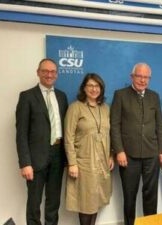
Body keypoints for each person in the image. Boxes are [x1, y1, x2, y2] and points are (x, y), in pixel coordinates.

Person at [110, 63, 162, 225]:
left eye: (146, 77)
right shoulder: (120, 95)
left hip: (152, 154)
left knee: (151, 195)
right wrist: (119, 151)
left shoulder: (154, 96)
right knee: (129, 195)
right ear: (132, 77)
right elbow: (115, 125)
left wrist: (161, 151)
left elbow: (159, 126)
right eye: (139, 76)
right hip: (128, 155)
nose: (143, 80)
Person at [16, 58, 68, 225]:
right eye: (45, 71)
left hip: (58, 156)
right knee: (34, 203)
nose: (49, 74)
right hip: (35, 159)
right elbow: (21, 133)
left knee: (53, 202)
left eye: (53, 72)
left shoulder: (61, 96)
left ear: (57, 75)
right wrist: (25, 163)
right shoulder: (27, 97)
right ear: (38, 72)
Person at [64, 73, 114, 225]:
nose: (94, 89)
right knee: (86, 203)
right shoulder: (75, 108)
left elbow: (109, 134)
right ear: (84, 88)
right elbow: (68, 137)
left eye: (97, 86)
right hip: (84, 163)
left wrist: (111, 155)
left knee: (96, 200)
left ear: (101, 89)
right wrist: (72, 163)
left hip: (102, 162)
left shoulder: (105, 108)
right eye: (90, 86)